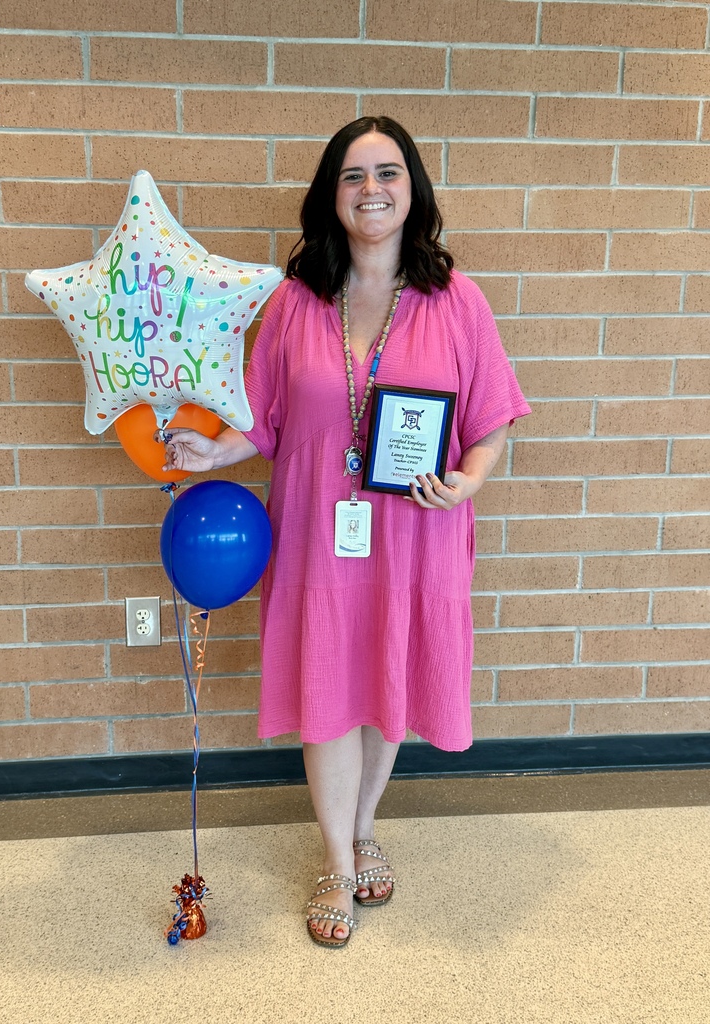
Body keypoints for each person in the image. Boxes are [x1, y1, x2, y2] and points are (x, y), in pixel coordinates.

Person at [164, 116, 531, 948]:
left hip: (416, 532)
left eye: (388, 173)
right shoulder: (297, 301)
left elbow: (492, 420)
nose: (373, 189)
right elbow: (260, 416)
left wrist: (470, 481)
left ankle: (365, 824)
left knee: (387, 684)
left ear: (413, 190)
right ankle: (337, 857)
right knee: (329, 690)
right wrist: (209, 450)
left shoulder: (456, 300)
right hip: (319, 534)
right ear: (332, 195)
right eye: (354, 175)